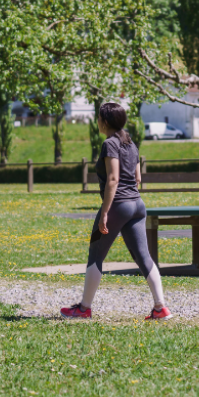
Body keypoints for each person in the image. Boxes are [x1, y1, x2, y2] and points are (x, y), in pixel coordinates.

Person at [60, 102, 172, 320]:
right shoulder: (131, 143)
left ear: (105, 122)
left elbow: (113, 179)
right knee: (143, 256)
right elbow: (138, 178)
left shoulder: (109, 144)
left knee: (95, 256)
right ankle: (161, 308)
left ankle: (83, 309)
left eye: (99, 118)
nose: (98, 121)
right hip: (137, 205)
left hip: (118, 206)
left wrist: (105, 213)